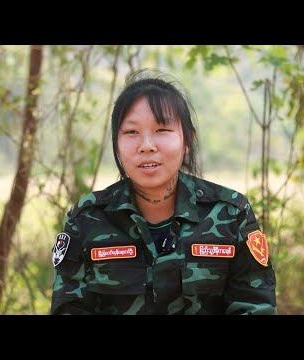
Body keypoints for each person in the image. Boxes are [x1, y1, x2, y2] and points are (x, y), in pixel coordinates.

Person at [50, 69, 277, 315]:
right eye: (131, 132)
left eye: (162, 130)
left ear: (187, 140)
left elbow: (255, 306)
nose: (146, 146)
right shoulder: (86, 220)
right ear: (116, 144)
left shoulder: (231, 214)